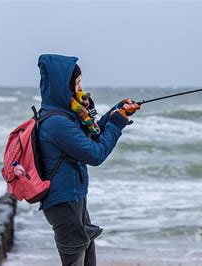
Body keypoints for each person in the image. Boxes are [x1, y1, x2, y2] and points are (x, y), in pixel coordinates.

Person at [36, 54, 140, 266]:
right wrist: (117, 124)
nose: (81, 87)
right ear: (63, 86)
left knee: (88, 255)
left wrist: (116, 112)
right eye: (77, 82)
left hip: (74, 198)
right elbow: (94, 154)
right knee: (75, 259)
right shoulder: (57, 122)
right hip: (65, 203)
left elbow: (91, 134)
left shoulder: (66, 114)